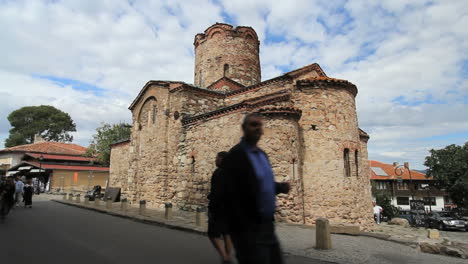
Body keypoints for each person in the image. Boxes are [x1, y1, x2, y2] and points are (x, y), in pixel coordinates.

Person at [222, 113, 290, 264]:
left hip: (266, 225)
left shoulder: (262, 155)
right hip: (247, 228)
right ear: (243, 128)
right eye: (253, 125)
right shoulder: (236, 155)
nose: (258, 129)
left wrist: (280, 187)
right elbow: (228, 192)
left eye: (260, 125)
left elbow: (264, 183)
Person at [207, 151, 233, 264]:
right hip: (230, 209)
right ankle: (228, 256)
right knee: (227, 233)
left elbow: (217, 193)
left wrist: (211, 208)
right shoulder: (232, 173)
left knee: (212, 234)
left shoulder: (218, 173)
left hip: (219, 209)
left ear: (222, 159)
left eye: (217, 158)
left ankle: (225, 257)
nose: (215, 160)